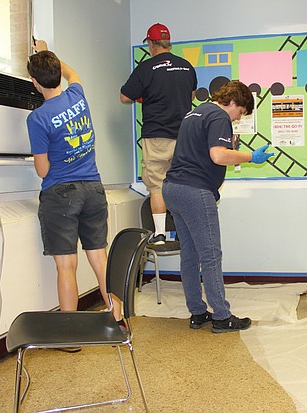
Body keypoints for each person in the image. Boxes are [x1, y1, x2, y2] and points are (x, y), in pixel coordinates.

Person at [162, 80, 274, 333]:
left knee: (190, 255)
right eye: (240, 114)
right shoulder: (219, 115)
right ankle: (222, 317)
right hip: (194, 191)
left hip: (173, 188)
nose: (236, 119)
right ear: (234, 102)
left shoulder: (195, 112)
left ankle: (198, 312)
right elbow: (218, 155)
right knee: (211, 254)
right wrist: (251, 157)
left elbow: (200, 152)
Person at [27, 40, 124, 331]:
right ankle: (117, 317)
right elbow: (73, 73)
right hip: (94, 189)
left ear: (34, 83)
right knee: (99, 256)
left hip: (61, 194)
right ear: (57, 72)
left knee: (66, 266)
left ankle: (69, 333)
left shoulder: (38, 118)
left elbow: (42, 169)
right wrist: (50, 53)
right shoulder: (77, 95)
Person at [120, 23, 197, 245]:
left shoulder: (146, 68)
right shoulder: (186, 66)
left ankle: (161, 234)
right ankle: (184, 233)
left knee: (157, 186)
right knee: (182, 185)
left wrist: (145, 96)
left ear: (152, 44)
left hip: (156, 136)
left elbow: (125, 96)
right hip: (184, 137)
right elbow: (191, 95)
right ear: (168, 42)